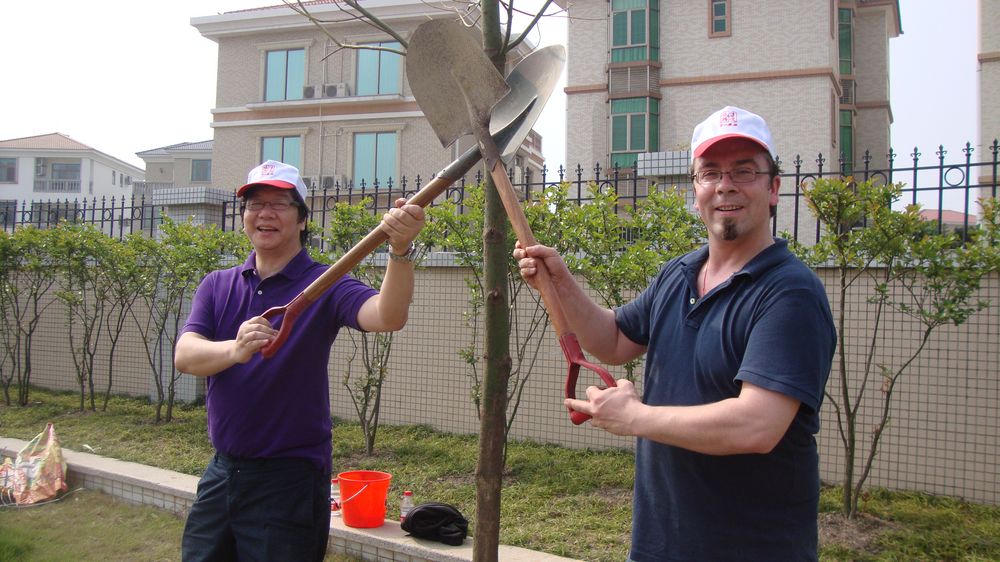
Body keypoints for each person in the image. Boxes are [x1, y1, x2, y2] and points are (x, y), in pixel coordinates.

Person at [514, 107, 836, 561]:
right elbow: (614, 340)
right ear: (696, 190)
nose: (726, 185)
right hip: (661, 543)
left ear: (773, 188)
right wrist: (562, 282)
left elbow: (757, 425)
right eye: (711, 173)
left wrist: (634, 417)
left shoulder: (789, 292)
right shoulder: (680, 273)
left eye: (744, 171)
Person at [175, 160, 425, 561]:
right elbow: (186, 355)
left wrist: (400, 249)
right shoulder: (218, 285)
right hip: (222, 473)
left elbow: (387, 316)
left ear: (303, 219)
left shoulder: (325, 284)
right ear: (244, 218)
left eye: (280, 203)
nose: (265, 213)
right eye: (255, 204)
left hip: (289, 479)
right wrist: (235, 350)